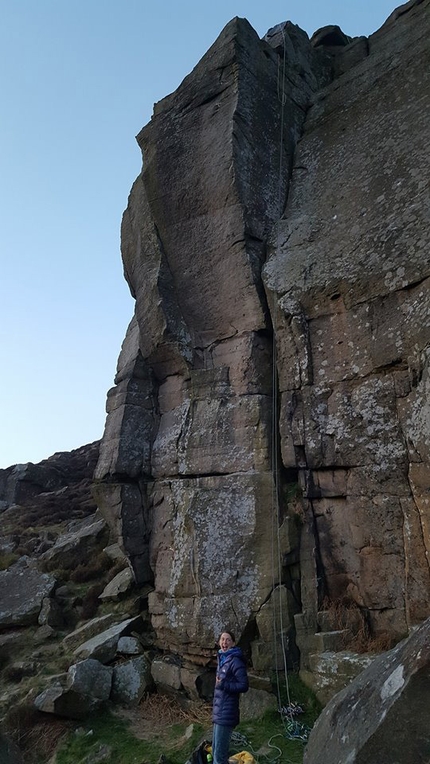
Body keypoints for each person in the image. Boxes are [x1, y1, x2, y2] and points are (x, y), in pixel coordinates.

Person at [212, 631, 249, 764]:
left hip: (227, 712)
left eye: (228, 640)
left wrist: (224, 684)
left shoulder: (235, 660)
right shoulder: (222, 658)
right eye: (222, 639)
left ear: (233, 643)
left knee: (219, 757)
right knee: (215, 750)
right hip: (219, 712)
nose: (224, 642)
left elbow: (244, 685)